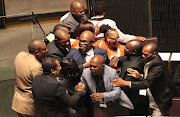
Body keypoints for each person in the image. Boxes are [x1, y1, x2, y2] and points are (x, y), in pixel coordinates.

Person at [112, 43, 174, 116]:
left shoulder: (157, 65)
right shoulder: (149, 60)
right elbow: (152, 78)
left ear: (154, 54)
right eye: (142, 53)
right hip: (151, 100)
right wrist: (140, 76)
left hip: (159, 102)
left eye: (146, 54)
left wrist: (125, 83)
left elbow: (147, 83)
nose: (142, 56)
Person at [109, 40, 149, 115]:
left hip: (130, 99)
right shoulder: (131, 57)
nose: (124, 48)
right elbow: (121, 59)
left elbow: (126, 87)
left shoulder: (134, 66)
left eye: (127, 48)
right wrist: (115, 58)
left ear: (134, 52)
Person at [12, 39, 47, 117]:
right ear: (36, 52)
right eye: (44, 49)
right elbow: (40, 88)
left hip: (18, 101)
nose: (47, 50)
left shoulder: (20, 55)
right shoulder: (36, 67)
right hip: (28, 105)